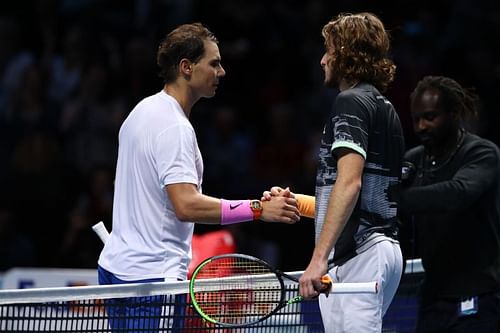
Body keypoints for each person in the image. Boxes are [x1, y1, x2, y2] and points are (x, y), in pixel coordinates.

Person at [97, 22, 300, 332]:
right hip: (153, 281)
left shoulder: (139, 112)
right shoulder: (175, 128)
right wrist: (259, 209)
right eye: (214, 63)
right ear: (186, 67)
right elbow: (186, 205)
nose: (222, 72)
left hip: (115, 270)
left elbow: (125, 186)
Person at [264, 12, 405, 333]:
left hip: (361, 254)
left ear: (345, 54)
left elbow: (350, 183)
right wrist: (298, 203)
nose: (322, 60)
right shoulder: (383, 106)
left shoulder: (350, 102)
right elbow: (361, 196)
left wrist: (317, 259)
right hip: (375, 250)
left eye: (328, 50)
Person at [398, 75, 500, 332]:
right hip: (432, 297)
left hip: (479, 293)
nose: (421, 126)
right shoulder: (412, 160)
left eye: (430, 117)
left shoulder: (482, 153)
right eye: (416, 119)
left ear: (454, 114)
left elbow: (459, 192)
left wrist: (398, 199)